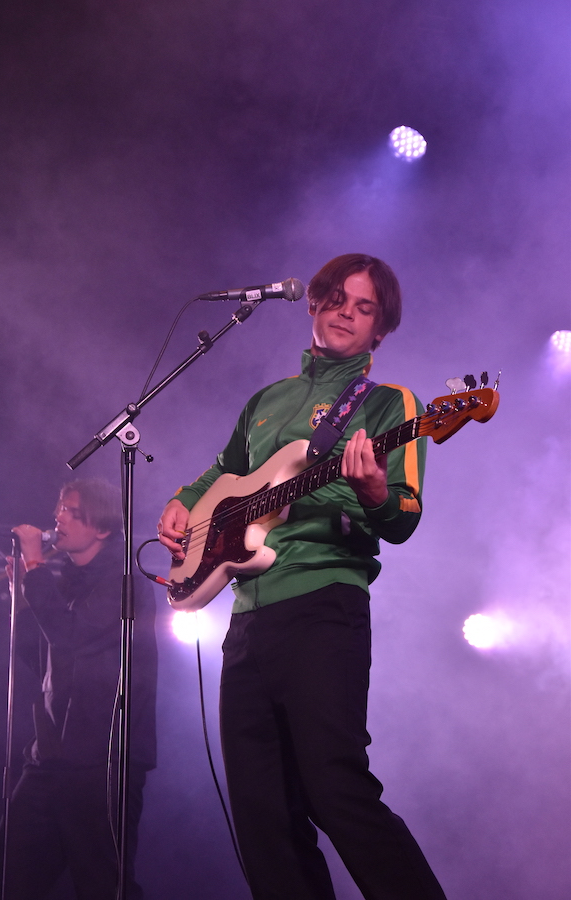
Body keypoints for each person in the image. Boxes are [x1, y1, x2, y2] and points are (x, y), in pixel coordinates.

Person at [158, 253, 447, 900]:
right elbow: (223, 474)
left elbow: (401, 518)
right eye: (336, 298)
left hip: (323, 608)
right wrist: (183, 500)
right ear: (313, 304)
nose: (346, 311)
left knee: (335, 788)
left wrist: (369, 490)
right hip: (247, 619)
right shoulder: (266, 401)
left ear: (380, 330)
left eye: (364, 306)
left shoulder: (387, 405)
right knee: (264, 816)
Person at [0, 479, 157, 900]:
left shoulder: (125, 581)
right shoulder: (67, 582)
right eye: (59, 508)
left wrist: (36, 571)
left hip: (103, 764)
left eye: (71, 512)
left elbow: (71, 636)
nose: (58, 517)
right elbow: (37, 658)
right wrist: (20, 595)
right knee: (2, 883)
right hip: (50, 758)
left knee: (104, 888)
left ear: (101, 526)